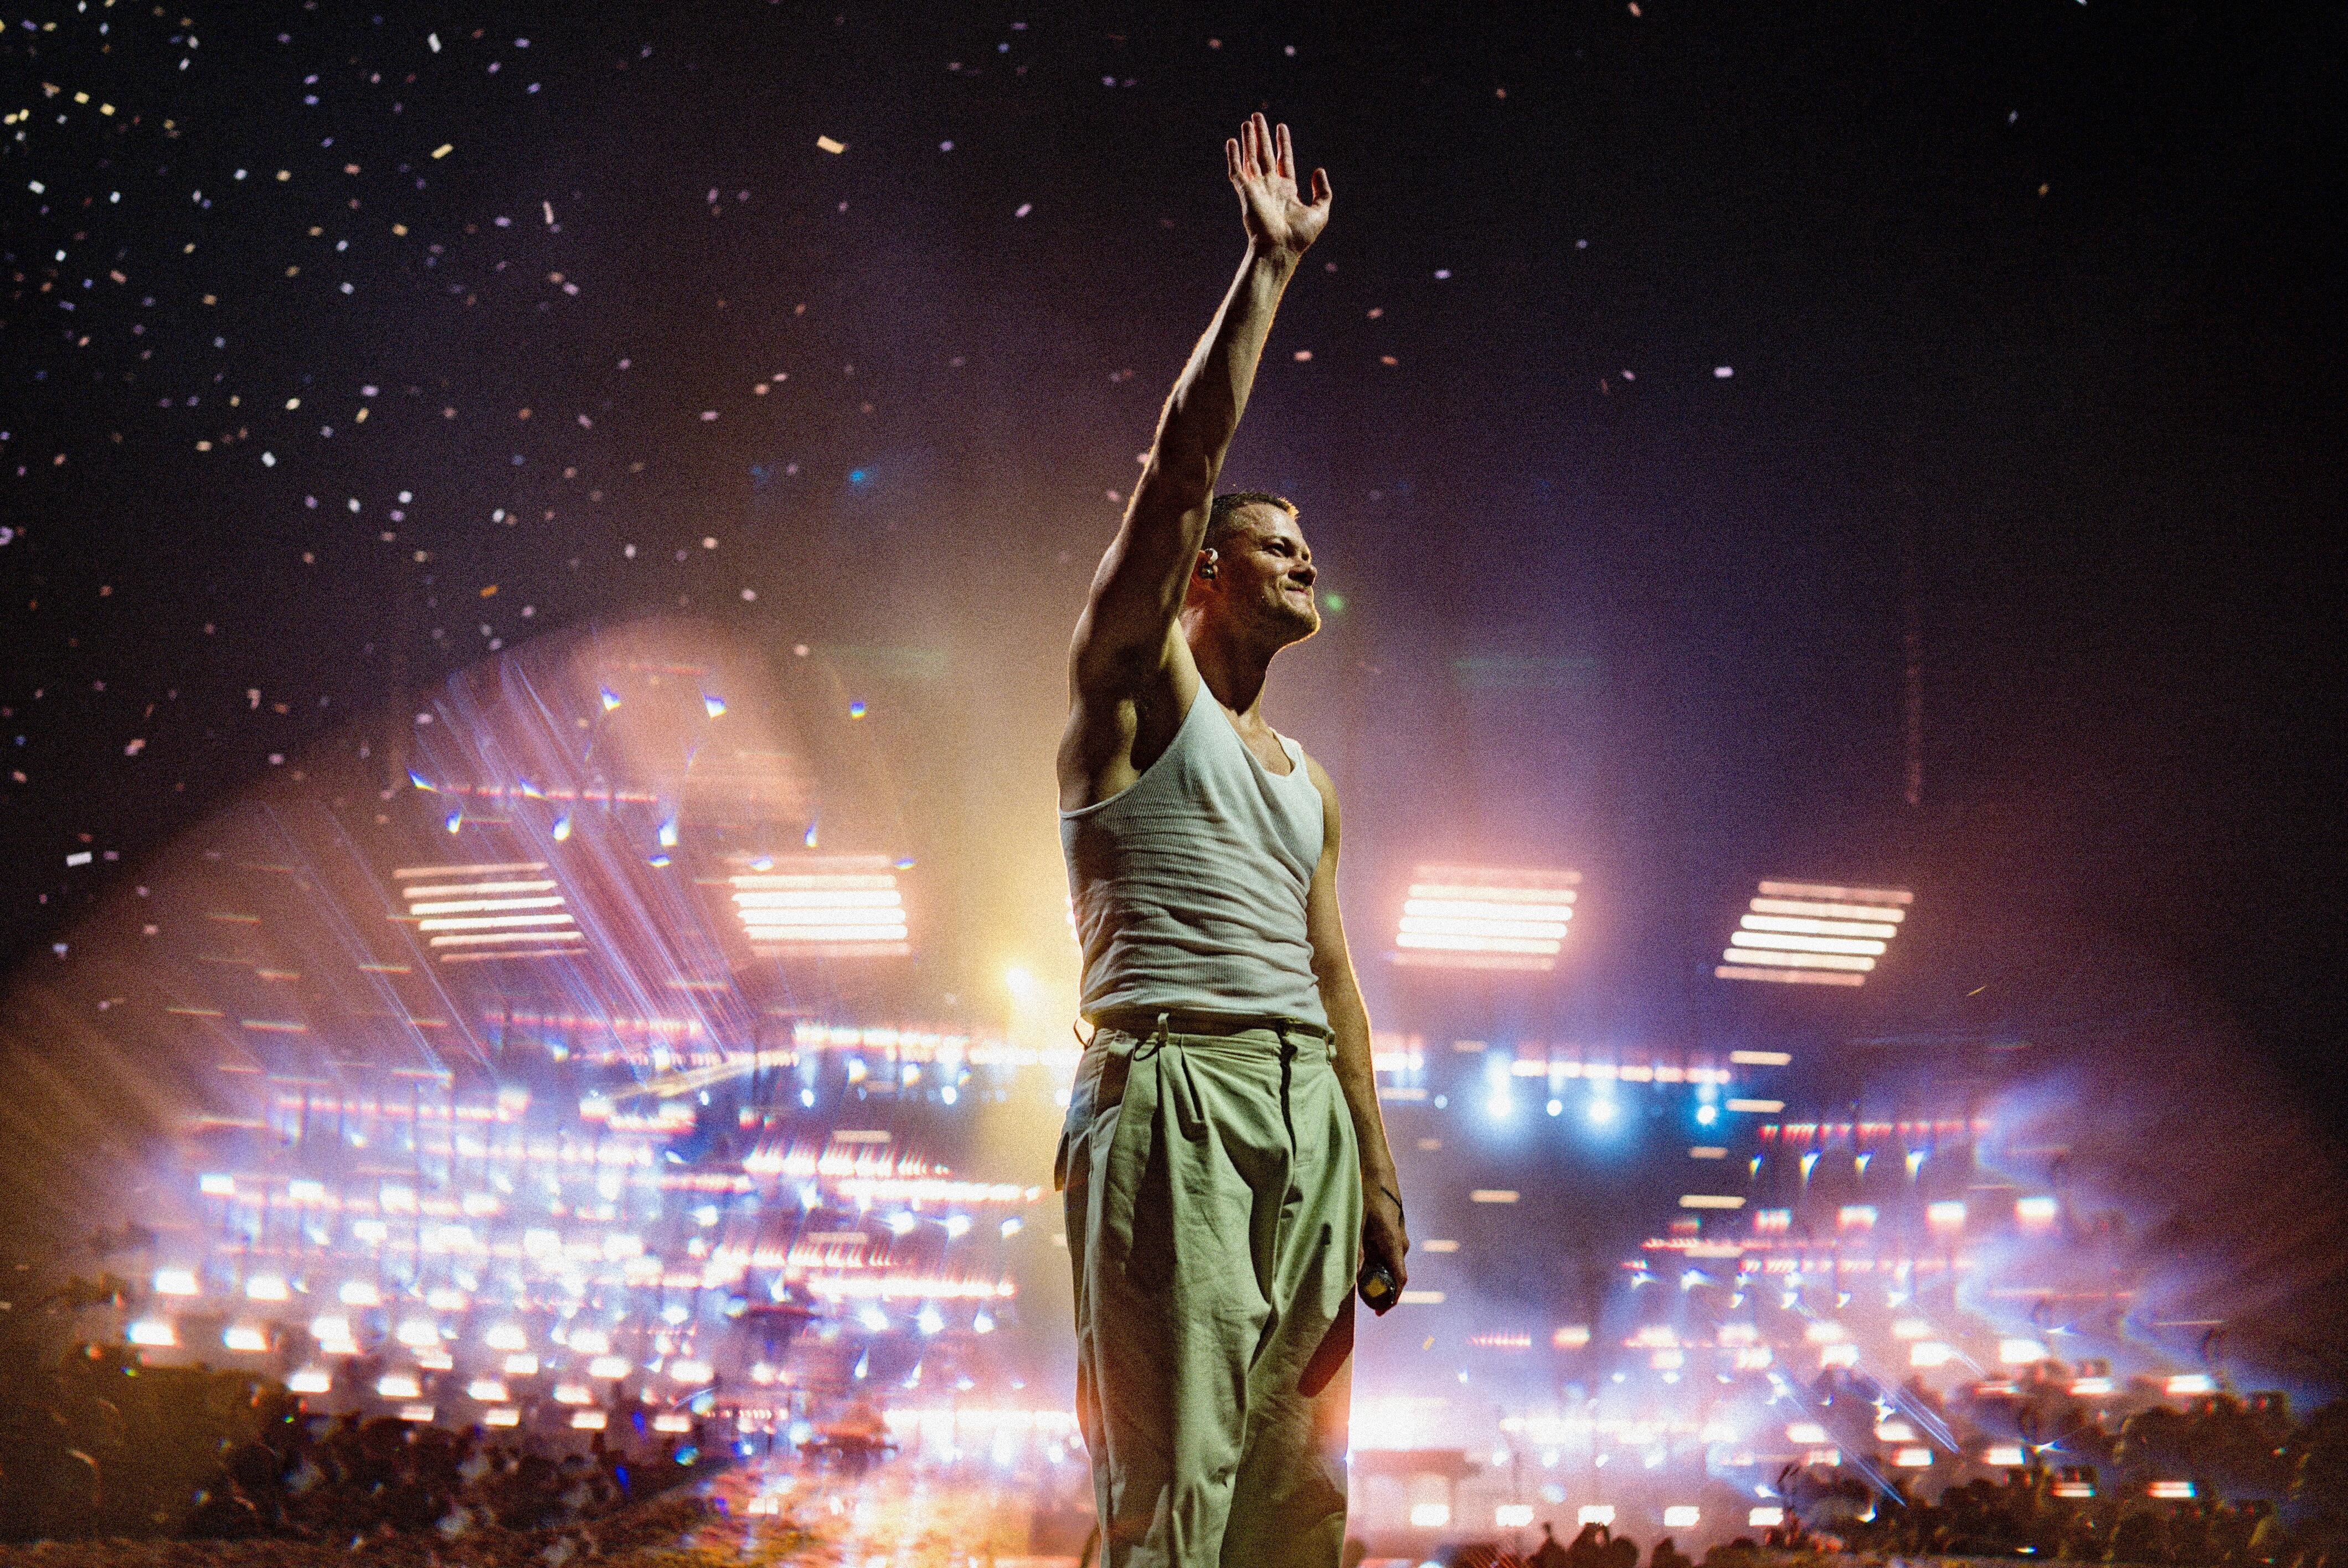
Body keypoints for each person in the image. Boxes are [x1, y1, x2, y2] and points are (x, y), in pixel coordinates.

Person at [1054, 112, 1409, 1568]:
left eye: (1309, 541)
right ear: (1201, 573)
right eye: (1275, 540)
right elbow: (1180, 461)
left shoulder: (1308, 782)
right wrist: (1266, 273)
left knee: (1295, 1505)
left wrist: (1375, 1168)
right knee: (1172, 1491)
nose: (1307, 554)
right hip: (1174, 1092)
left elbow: (1334, 979)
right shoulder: (1137, 694)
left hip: (1305, 1116)